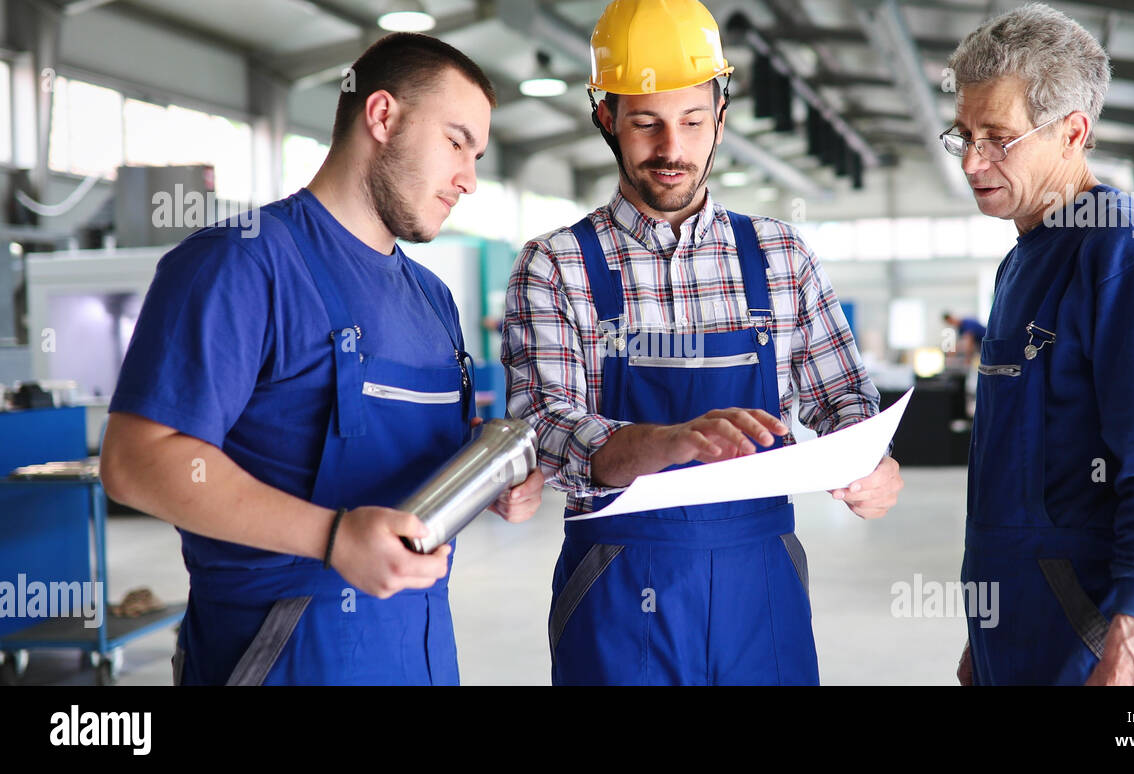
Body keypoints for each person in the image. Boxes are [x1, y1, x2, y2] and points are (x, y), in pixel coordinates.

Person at [99, 33, 543, 686]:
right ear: (383, 116)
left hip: (417, 652)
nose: (470, 179)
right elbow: (136, 461)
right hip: (280, 655)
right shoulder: (241, 263)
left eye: (476, 154)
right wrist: (332, 537)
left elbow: (415, 458)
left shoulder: (432, 299)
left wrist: (487, 476)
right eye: (456, 142)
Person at [501, 0, 903, 686]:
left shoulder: (781, 253)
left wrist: (872, 460)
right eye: (645, 123)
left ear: (722, 115)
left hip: (762, 583)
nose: (672, 150)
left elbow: (842, 396)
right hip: (619, 585)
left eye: (692, 121)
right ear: (605, 118)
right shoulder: (556, 264)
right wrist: (668, 442)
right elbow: (544, 427)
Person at [942, 4, 1134, 685]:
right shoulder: (1022, 260)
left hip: (1098, 643)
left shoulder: (1127, 258)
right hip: (1019, 635)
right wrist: (986, 637)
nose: (973, 160)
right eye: (964, 135)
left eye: (998, 137)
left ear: (1073, 132)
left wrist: (1129, 649)